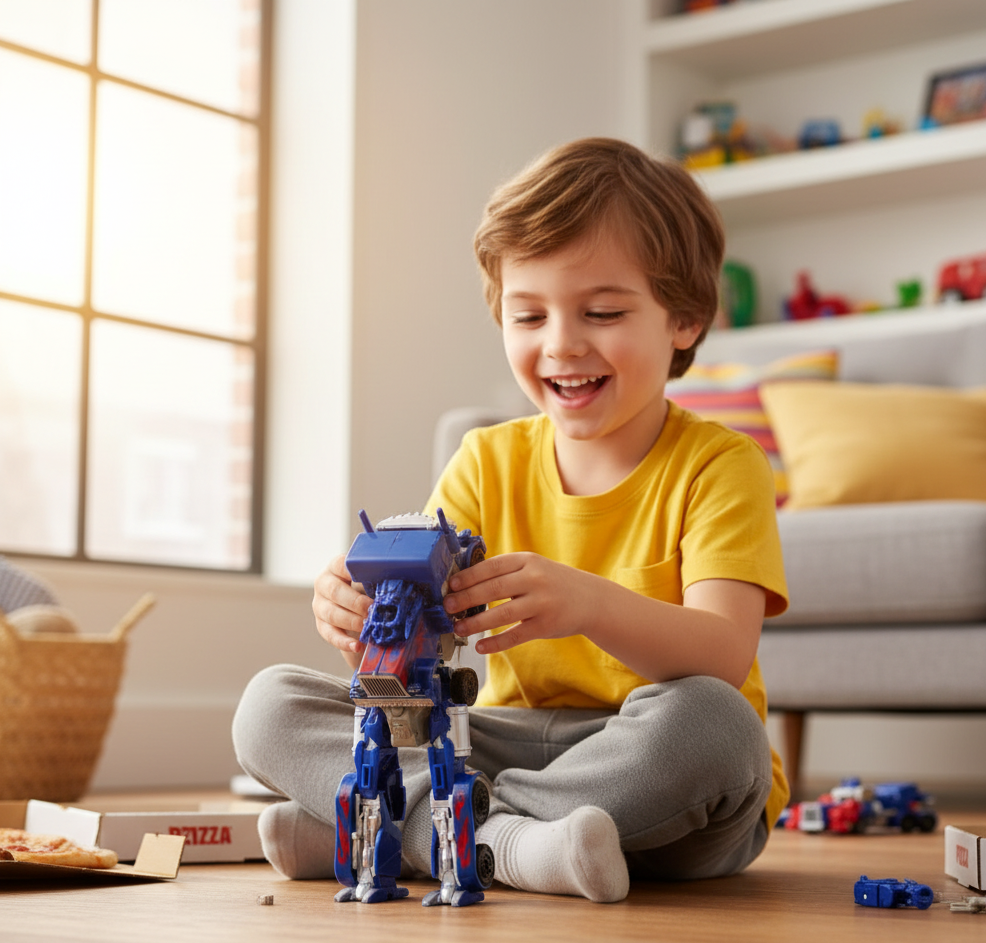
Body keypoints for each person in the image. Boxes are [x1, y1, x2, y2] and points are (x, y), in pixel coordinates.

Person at [232, 137, 788, 904]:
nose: (560, 343)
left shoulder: (720, 466)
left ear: (685, 318)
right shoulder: (485, 458)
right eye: (529, 315)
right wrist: (359, 606)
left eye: (601, 311)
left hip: (648, 774)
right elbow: (421, 632)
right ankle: (508, 845)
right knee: (271, 703)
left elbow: (724, 653)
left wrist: (588, 602)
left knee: (719, 726)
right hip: (495, 744)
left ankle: (401, 834)